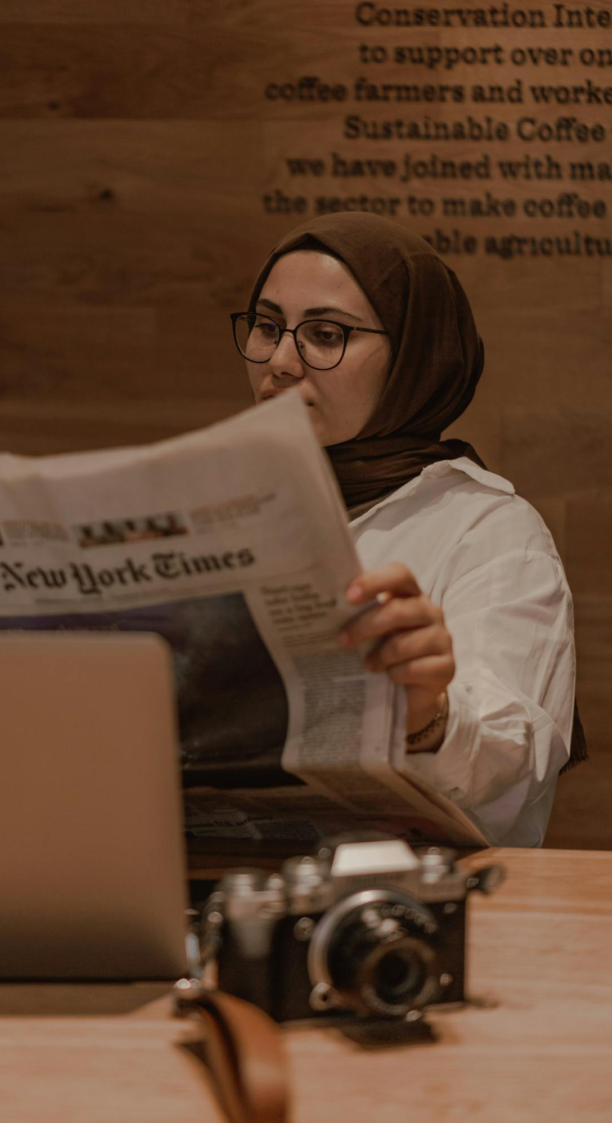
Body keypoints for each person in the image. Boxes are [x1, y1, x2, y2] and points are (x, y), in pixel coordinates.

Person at [232, 212, 585, 847]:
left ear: (413, 359)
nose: (281, 361)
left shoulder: (486, 529)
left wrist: (429, 715)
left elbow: (515, 751)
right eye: (267, 325)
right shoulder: (226, 502)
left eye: (325, 333)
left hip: (407, 913)